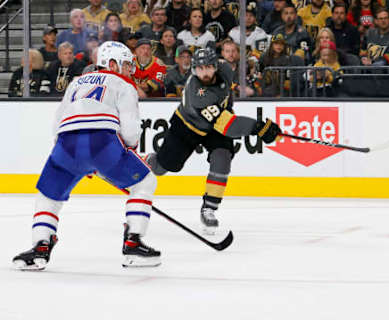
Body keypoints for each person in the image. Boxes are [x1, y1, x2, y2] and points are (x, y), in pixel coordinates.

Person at [12, 41, 160, 270]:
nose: (130, 70)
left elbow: (57, 125)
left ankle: (39, 247)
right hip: (102, 143)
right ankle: (134, 243)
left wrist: (80, 162)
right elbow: (130, 134)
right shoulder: (123, 84)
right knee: (145, 182)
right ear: (111, 63)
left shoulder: (75, 83)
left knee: (48, 195)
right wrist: (105, 162)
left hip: (65, 145)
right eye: (126, 65)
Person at [145, 47, 282, 234]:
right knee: (164, 167)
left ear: (216, 66)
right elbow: (228, 126)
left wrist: (258, 126)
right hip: (187, 127)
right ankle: (140, 164)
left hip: (217, 124)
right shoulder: (197, 93)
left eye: (209, 67)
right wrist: (258, 127)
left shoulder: (225, 70)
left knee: (223, 157)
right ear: (194, 69)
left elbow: (227, 97)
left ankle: (209, 208)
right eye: (200, 68)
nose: (205, 72)